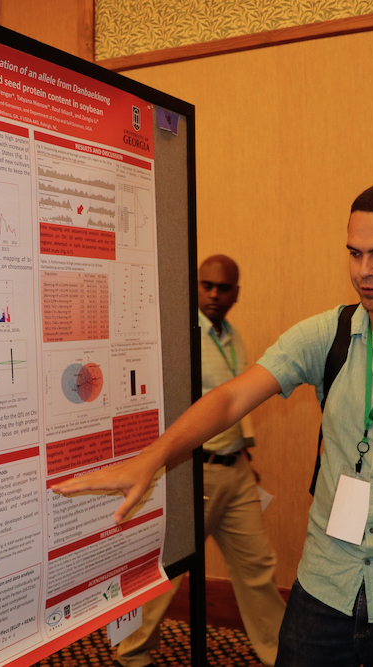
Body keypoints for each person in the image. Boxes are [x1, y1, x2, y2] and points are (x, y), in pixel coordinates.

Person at [54, 181, 373, 667]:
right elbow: (232, 398)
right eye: (355, 253)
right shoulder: (328, 335)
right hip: (326, 585)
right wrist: (152, 458)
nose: (364, 271)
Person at [115, 254, 286, 667]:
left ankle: (284, 655)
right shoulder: (181, 336)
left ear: (235, 293)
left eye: (222, 287)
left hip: (236, 472)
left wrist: (244, 449)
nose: (212, 294)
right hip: (197, 473)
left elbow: (230, 402)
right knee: (171, 573)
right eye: (206, 285)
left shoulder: (232, 336)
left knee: (259, 568)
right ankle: (131, 654)